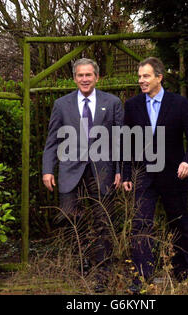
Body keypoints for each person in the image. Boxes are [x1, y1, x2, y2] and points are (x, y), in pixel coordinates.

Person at [122, 57, 188, 290]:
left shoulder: (178, 103)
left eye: (146, 76)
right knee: (140, 225)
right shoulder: (133, 105)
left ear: (159, 77)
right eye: (139, 77)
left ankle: (184, 273)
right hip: (143, 176)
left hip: (174, 176)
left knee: (179, 224)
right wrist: (127, 174)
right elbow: (126, 142)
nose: (141, 81)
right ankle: (141, 277)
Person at [42, 58, 123, 291]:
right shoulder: (61, 104)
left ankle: (104, 270)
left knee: (103, 220)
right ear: (75, 78)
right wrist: (48, 169)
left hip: (103, 169)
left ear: (97, 77)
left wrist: (119, 170)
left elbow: (119, 141)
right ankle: (82, 261)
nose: (85, 79)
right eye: (80, 75)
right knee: (69, 217)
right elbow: (52, 141)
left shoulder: (113, 102)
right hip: (69, 168)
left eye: (89, 75)